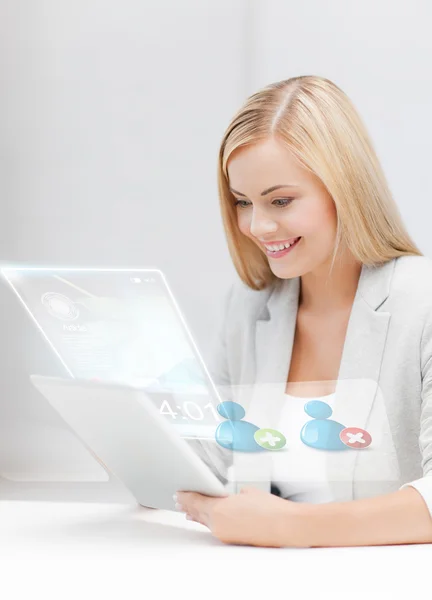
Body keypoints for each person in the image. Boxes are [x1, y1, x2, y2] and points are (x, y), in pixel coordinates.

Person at [175, 75, 432, 548]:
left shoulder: (423, 302)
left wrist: (291, 528)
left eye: (280, 200)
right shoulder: (249, 307)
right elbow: (212, 464)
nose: (257, 225)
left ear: (346, 189)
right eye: (242, 202)